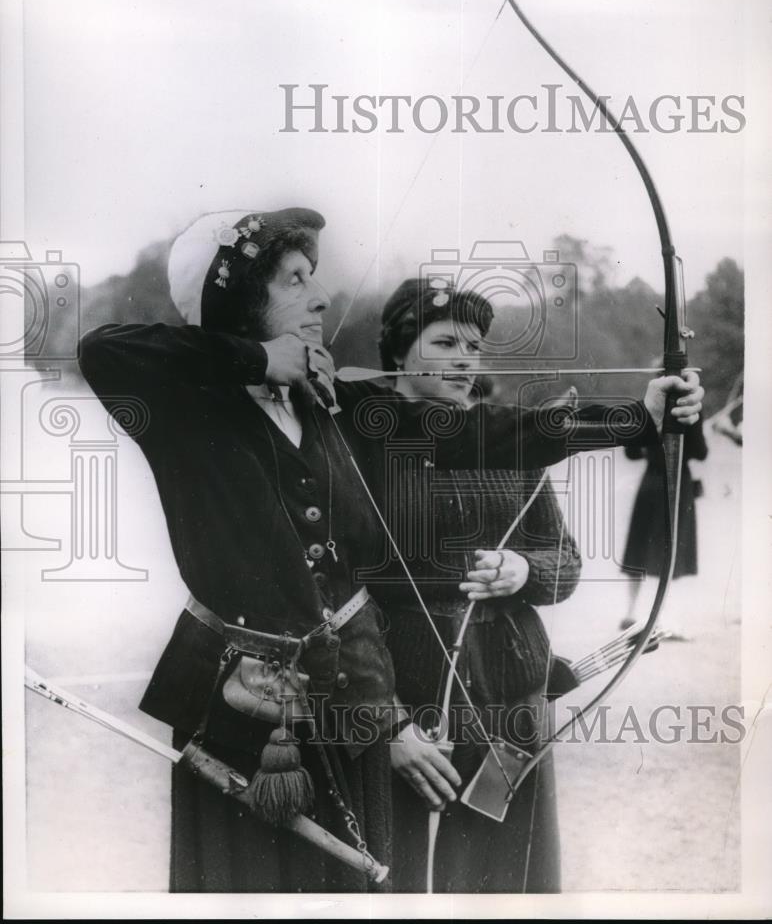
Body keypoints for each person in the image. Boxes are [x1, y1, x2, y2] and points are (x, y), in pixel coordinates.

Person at [78, 207, 704, 893]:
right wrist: (257, 358)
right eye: (293, 280)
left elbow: (486, 435)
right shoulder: (185, 410)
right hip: (240, 719)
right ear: (239, 294)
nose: (318, 295)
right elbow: (104, 350)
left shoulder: (328, 403)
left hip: (350, 715)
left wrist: (636, 417)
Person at [365, 278, 580, 892]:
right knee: (404, 873)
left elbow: (565, 560)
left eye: (475, 346)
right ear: (400, 351)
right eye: (445, 342)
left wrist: (523, 570)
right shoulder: (364, 440)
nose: (465, 358)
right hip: (411, 694)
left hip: (511, 689)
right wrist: (386, 722)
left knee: (508, 877)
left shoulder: (508, 438)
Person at [619, 418, 709, 638]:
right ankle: (663, 621)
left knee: (640, 545)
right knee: (672, 550)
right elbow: (700, 451)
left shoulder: (653, 404)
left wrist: (651, 449)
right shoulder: (690, 406)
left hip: (651, 480)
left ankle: (631, 613)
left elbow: (631, 451)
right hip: (677, 482)